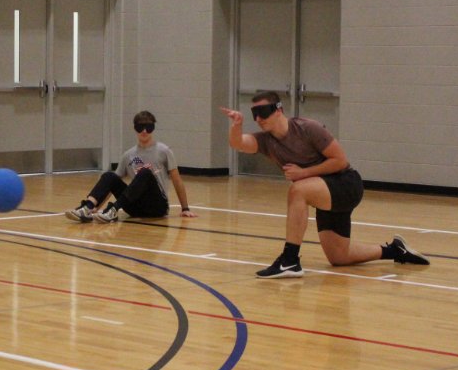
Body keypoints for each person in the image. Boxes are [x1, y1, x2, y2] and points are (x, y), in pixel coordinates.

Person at [220, 91, 428, 278]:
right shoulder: (266, 141)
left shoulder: (307, 128)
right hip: (322, 192)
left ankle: (290, 260)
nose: (258, 119)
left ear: (279, 110)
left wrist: (303, 173)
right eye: (254, 114)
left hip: (345, 184)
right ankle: (395, 250)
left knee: (298, 191)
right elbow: (238, 144)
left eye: (263, 112)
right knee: (339, 257)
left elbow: (340, 160)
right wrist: (237, 126)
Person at [65, 111, 199, 223]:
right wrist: (97, 207)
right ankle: (87, 208)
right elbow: (111, 185)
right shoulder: (128, 155)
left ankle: (113, 210)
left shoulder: (164, 151)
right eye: (141, 127)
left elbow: (177, 180)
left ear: (153, 128)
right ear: (135, 128)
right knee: (109, 175)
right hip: (134, 206)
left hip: (157, 206)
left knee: (145, 173)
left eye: (149, 127)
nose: (144, 131)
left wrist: (185, 208)